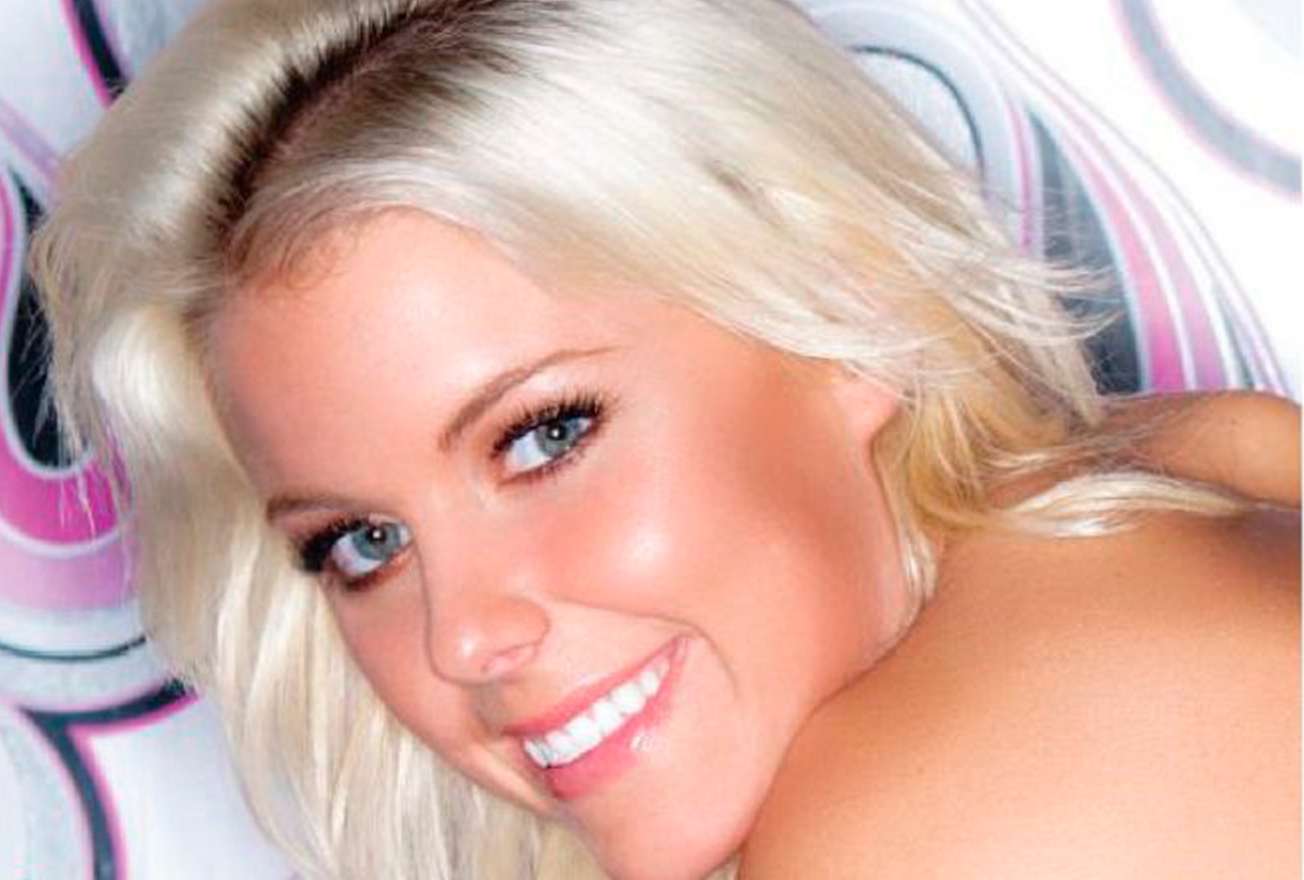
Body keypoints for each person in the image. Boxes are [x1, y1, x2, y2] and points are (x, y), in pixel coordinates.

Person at [29, 1, 1297, 878]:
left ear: (842, 300)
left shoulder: (911, 826)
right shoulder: (1193, 465)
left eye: (542, 436)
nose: (460, 636)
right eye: (362, 543)